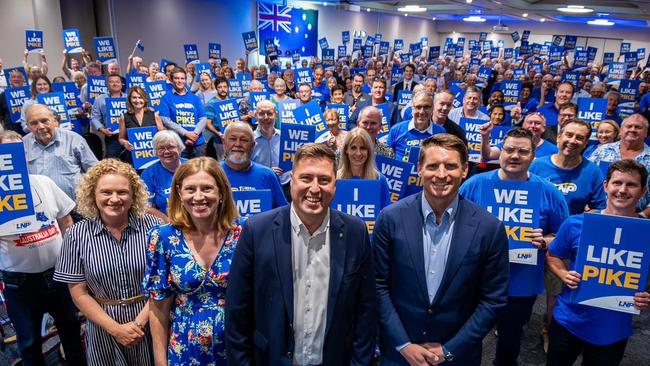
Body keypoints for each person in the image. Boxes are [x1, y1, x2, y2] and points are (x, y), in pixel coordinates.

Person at [226, 143, 376, 364]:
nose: (315, 189)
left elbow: (366, 310)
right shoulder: (257, 231)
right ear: (292, 181)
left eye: (324, 180)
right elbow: (237, 311)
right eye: (306, 178)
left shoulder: (356, 232)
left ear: (335, 184)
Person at [374, 133, 509, 365]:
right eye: (433, 165)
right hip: (400, 354)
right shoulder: (390, 218)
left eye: (451, 166)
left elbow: (493, 300)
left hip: (457, 356)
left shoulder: (490, 228)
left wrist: (449, 350)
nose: (441, 174)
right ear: (419, 168)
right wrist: (404, 345)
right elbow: (377, 285)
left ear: (465, 170)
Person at [460, 127, 569, 365]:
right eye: (509, 149)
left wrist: (545, 241)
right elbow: (452, 223)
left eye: (522, 151)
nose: (514, 156)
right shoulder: (474, 185)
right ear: (501, 152)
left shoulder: (550, 193)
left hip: (521, 283)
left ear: (532, 156)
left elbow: (562, 237)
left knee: (510, 341)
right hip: (477, 278)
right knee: (469, 338)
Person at [54, 159, 161, 365]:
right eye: (106, 192)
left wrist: (138, 324)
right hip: (102, 326)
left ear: (134, 195)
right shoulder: (76, 234)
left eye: (122, 192)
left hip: (150, 321)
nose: (114, 199)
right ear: (93, 194)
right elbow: (79, 293)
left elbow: (162, 282)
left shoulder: (154, 227)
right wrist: (116, 329)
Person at [546, 160, 650, 365]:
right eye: (617, 183)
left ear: (643, 191)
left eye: (631, 185)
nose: (622, 190)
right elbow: (553, 255)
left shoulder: (646, 234)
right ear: (605, 186)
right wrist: (563, 274)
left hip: (613, 332)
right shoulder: (575, 223)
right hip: (568, 321)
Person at [143, 157, 240, 365]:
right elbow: (158, 308)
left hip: (236, 348)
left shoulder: (242, 236)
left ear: (221, 192)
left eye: (207, 188)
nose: (198, 197)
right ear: (179, 193)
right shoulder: (163, 238)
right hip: (185, 351)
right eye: (190, 189)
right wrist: (161, 362)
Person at [0, 131, 86, 366]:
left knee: (71, 331)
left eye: (18, 151)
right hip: (20, 282)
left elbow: (66, 221)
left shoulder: (44, 182)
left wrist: (73, 259)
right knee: (29, 343)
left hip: (59, 275)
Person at [23, 104, 98, 200]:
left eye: (44, 121)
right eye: (34, 123)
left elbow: (94, 171)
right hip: (42, 208)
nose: (40, 126)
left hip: (77, 207)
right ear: (28, 126)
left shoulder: (74, 139)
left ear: (54, 120)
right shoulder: (23, 145)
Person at [588, 114, 650, 217]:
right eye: (629, 126)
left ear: (646, 133)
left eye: (638, 127)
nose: (633, 130)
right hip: (597, 214)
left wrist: (642, 216)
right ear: (620, 131)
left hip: (637, 219)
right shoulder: (602, 151)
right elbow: (587, 179)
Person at [220, 122, 288, 208]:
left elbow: (282, 211)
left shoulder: (268, 175)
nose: (238, 144)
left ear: (253, 145)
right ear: (224, 142)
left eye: (244, 140)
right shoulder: (212, 173)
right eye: (233, 139)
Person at [158, 67, 208, 158]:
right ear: (171, 80)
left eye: (182, 78)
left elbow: (203, 118)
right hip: (178, 143)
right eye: (176, 78)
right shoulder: (166, 98)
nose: (180, 81)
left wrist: (194, 135)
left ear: (185, 80)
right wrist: (186, 133)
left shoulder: (195, 98)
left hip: (198, 143)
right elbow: (166, 120)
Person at [337, 127, 391, 207]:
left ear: (369, 151)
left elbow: (385, 213)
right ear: (346, 150)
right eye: (353, 148)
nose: (358, 153)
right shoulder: (335, 179)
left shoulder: (379, 179)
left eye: (363, 148)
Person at [141, 130, 186, 223]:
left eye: (171, 147)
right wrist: (169, 223)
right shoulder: (148, 174)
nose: (166, 152)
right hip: (167, 223)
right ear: (156, 152)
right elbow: (148, 207)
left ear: (179, 148)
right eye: (161, 148)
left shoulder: (192, 166)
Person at [387, 91, 446, 160]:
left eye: (426, 107)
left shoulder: (440, 132)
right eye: (418, 107)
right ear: (412, 109)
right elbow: (387, 160)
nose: (422, 112)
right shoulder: (396, 130)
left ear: (432, 108)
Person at [481, 112, 558, 162]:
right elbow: (488, 154)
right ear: (523, 125)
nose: (533, 126)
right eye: (530, 122)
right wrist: (485, 136)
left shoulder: (554, 150)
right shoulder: (511, 143)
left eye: (537, 123)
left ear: (544, 128)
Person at [118, 86, 164, 161]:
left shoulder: (154, 115)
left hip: (152, 156)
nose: (137, 100)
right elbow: (121, 138)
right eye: (134, 97)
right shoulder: (124, 117)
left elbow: (162, 136)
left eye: (140, 97)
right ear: (130, 99)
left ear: (145, 99)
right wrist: (125, 143)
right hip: (133, 157)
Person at [90, 73, 126, 158]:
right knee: (112, 162)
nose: (115, 84)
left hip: (128, 135)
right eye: (111, 82)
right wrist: (103, 130)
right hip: (111, 136)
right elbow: (94, 118)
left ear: (122, 84)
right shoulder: (100, 99)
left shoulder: (129, 98)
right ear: (107, 84)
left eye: (117, 82)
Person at [251, 100, 282, 176]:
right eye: (261, 114)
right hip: (260, 185)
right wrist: (267, 172)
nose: (265, 117)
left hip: (285, 184)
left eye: (269, 113)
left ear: (276, 115)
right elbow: (245, 167)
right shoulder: (249, 140)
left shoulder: (285, 137)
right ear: (255, 115)